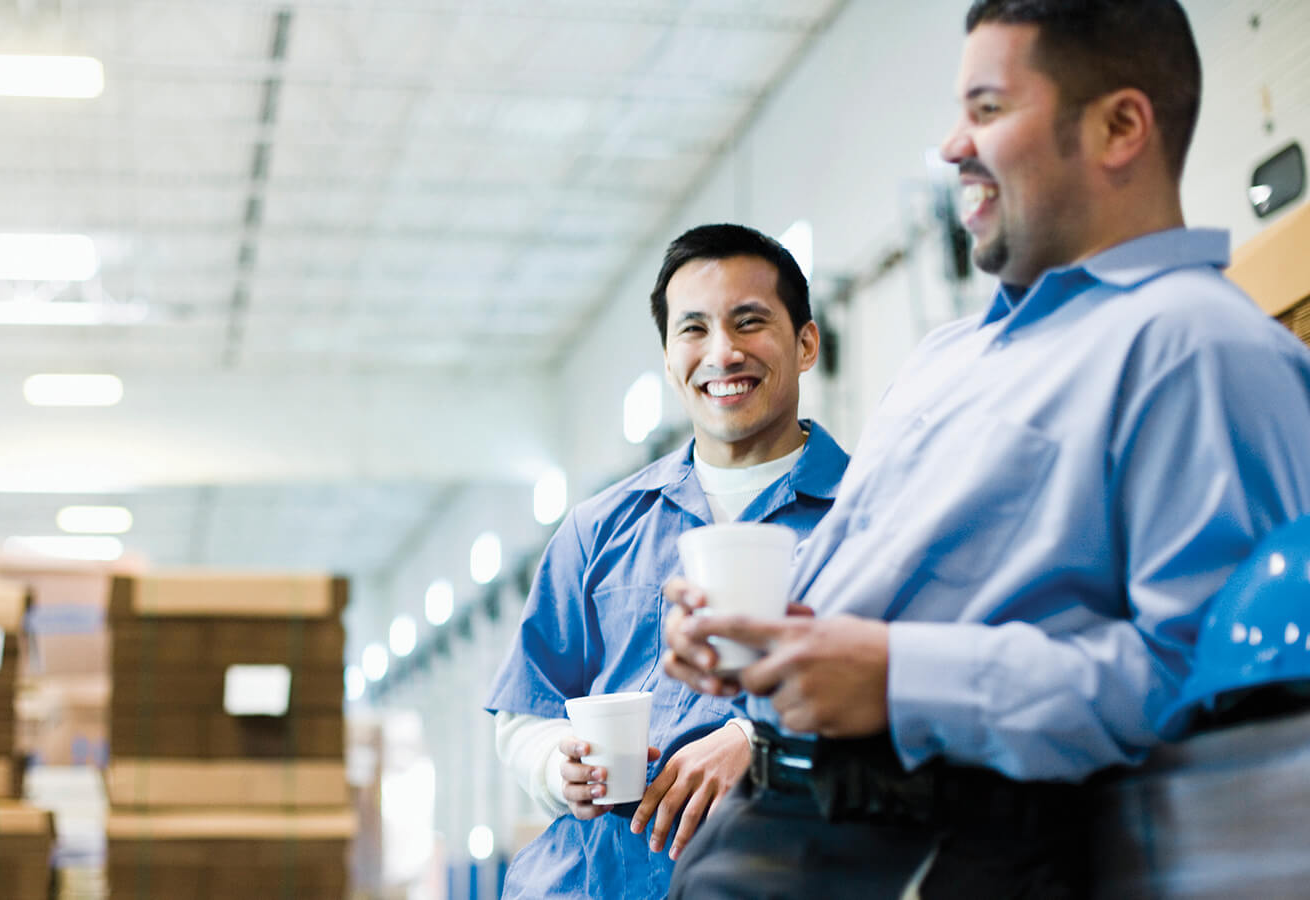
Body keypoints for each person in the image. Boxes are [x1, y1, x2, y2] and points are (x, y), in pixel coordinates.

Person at [661, 1, 1310, 897]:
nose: (953, 145)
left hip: (923, 846)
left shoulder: (1199, 347)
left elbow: (1196, 685)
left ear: (1121, 126)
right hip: (771, 826)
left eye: (989, 109)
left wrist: (899, 678)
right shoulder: (949, 356)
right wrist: (752, 636)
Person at [483, 224, 850, 899]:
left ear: (806, 344)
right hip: (592, 882)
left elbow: (911, 711)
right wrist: (552, 765)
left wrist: (759, 743)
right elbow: (526, 708)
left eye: (749, 322)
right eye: (694, 330)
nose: (722, 352)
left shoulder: (869, 517)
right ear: (668, 358)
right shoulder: (600, 528)